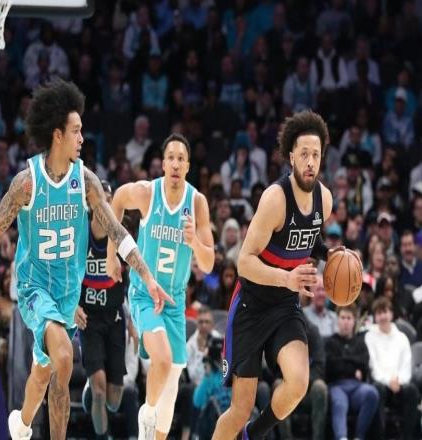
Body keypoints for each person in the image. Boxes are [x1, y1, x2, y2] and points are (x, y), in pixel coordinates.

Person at [0, 79, 171, 440]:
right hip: (34, 287)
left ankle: (21, 424)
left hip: (67, 293)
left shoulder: (87, 181)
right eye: (76, 130)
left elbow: (117, 232)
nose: (82, 138)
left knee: (44, 369)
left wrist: (147, 276)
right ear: (57, 135)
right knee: (64, 357)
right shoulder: (27, 183)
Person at [213, 110, 357, 440]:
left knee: (299, 383)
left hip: (283, 306)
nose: (310, 161)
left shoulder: (324, 199)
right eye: (304, 153)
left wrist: (329, 254)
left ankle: (252, 435)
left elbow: (307, 239)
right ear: (291, 156)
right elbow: (244, 262)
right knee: (240, 409)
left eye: (316, 154)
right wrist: (286, 278)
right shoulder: (275, 199)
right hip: (251, 306)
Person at [106, 132, 215, 440]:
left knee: (172, 381)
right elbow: (116, 200)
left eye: (182, 159)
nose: (176, 164)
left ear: (188, 166)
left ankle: (153, 428)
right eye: (171, 158)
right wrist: (111, 254)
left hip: (175, 301)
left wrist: (194, 242)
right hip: (144, 294)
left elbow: (208, 264)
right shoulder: (147, 193)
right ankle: (147, 414)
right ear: (163, 163)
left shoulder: (197, 202)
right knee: (163, 361)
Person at [74, 180, 137, 440]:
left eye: (109, 200)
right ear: (90, 202)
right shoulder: (79, 234)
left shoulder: (121, 235)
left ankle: (90, 392)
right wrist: (73, 305)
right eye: (100, 199)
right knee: (100, 392)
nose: (105, 205)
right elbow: (65, 273)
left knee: (113, 400)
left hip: (115, 318)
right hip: (88, 320)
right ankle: (102, 435)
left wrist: (133, 322)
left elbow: (132, 281)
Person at [364, 297, 419, 440]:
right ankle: (379, 436)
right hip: (381, 382)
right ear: (375, 317)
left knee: (412, 391)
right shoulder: (369, 336)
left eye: (385, 312)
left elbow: (406, 366)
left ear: (391, 314)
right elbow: (373, 366)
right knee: (377, 389)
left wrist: (398, 381)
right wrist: (388, 381)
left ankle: (408, 436)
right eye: (379, 313)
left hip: (399, 383)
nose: (383, 316)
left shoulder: (402, 338)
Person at [325, 304, 379, 440]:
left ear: (354, 320)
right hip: (337, 385)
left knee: (372, 393)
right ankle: (341, 437)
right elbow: (332, 366)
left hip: (357, 387)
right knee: (339, 402)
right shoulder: (330, 342)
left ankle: (359, 437)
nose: (345, 322)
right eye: (342, 317)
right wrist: (354, 366)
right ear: (338, 320)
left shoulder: (360, 342)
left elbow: (364, 363)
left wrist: (345, 362)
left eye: (349, 318)